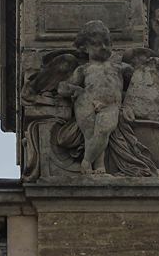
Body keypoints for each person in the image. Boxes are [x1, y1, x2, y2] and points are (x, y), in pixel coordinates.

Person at [57, 20, 132, 174]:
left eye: (106, 43)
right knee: (90, 134)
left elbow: (137, 86)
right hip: (87, 102)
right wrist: (74, 89)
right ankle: (100, 167)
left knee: (103, 131)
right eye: (97, 44)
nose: (103, 47)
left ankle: (86, 161)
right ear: (85, 48)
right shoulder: (83, 69)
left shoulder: (121, 68)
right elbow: (62, 88)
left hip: (111, 105)